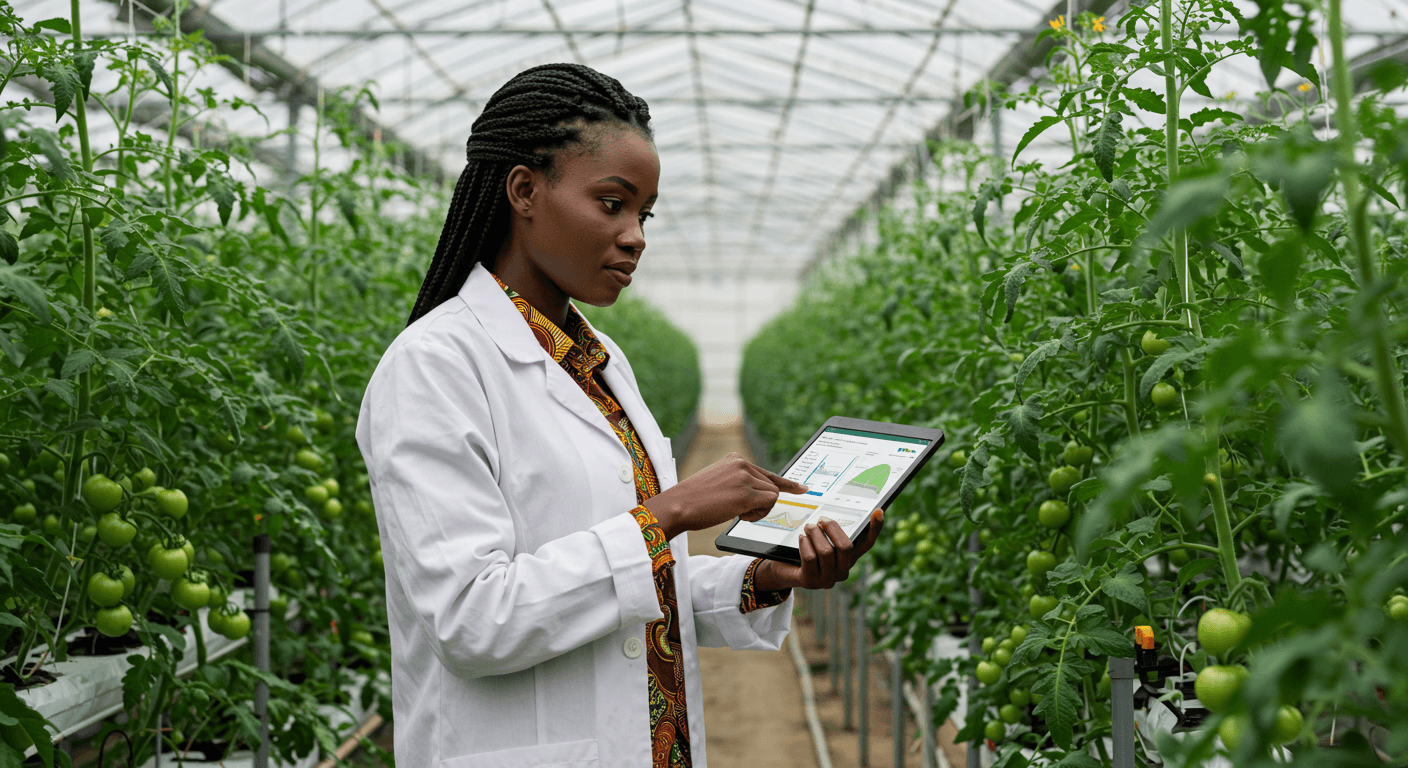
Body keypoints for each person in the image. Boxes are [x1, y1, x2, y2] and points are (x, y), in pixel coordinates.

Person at [356, 63, 884, 768]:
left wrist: (761, 580)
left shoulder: (600, 363)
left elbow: (629, 590)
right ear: (524, 191)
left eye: (644, 214)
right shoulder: (434, 367)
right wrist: (668, 513)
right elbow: (474, 620)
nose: (635, 236)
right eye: (612, 204)